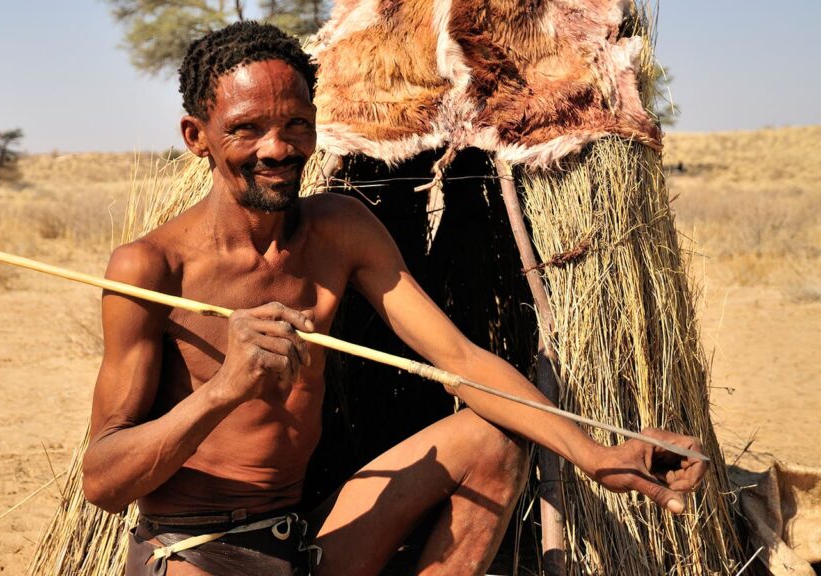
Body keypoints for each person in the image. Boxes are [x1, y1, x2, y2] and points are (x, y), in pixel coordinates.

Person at [82, 21, 706, 576]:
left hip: (306, 538)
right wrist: (225, 389)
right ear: (198, 135)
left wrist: (595, 454)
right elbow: (103, 481)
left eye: (296, 125)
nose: (278, 148)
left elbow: (458, 360)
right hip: (197, 547)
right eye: (246, 129)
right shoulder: (151, 267)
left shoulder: (338, 231)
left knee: (491, 439)